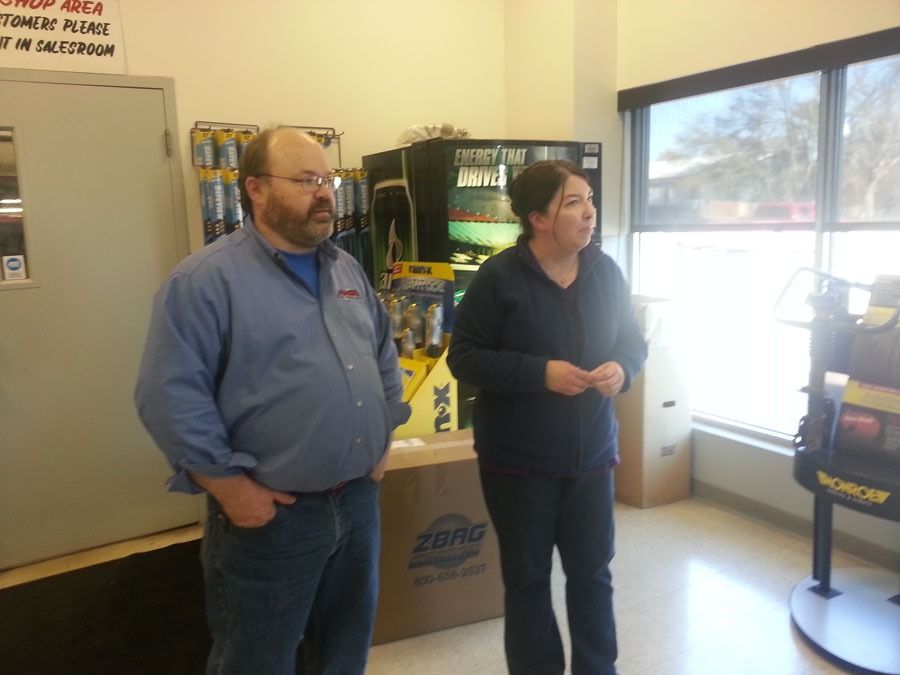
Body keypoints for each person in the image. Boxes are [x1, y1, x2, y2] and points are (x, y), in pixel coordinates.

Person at [135, 127, 409, 675]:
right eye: (306, 180)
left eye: (326, 179)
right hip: (272, 520)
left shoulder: (345, 267)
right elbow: (170, 396)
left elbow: (382, 354)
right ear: (256, 190)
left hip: (357, 505)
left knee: (343, 649)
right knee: (256, 658)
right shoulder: (205, 281)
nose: (325, 192)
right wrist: (230, 489)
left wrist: (384, 438)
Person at [447, 160, 648, 675]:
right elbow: (464, 358)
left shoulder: (606, 272)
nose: (590, 213)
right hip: (519, 467)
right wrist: (541, 374)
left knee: (592, 575)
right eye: (574, 203)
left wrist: (622, 370)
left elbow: (632, 342)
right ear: (537, 217)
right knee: (529, 580)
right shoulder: (498, 278)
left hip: (592, 461)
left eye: (590, 201)